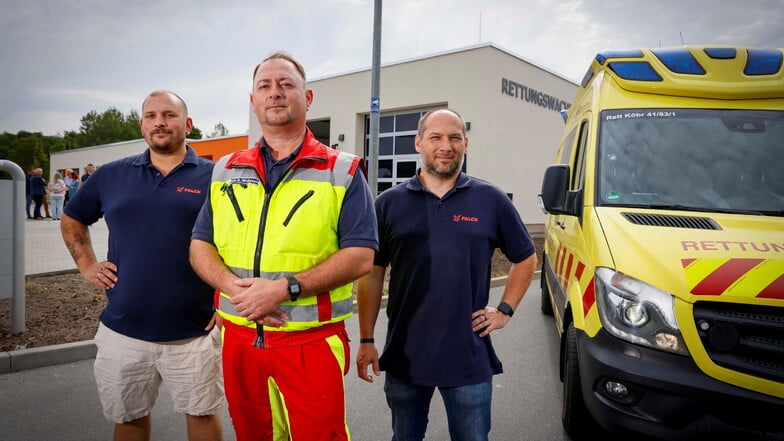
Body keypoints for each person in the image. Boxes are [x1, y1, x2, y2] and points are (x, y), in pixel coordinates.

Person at [190, 51, 378, 441]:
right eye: (265, 86)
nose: (275, 93)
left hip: (309, 340)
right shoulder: (225, 169)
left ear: (307, 98)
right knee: (253, 434)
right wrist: (231, 287)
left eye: (286, 84)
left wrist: (283, 288)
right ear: (253, 100)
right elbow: (200, 245)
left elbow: (361, 257)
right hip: (239, 341)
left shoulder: (342, 170)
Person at [356, 108, 538, 441]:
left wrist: (504, 309)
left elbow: (526, 258)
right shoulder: (388, 204)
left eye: (454, 138)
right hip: (405, 359)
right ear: (418, 143)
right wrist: (366, 339)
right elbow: (372, 274)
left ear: (465, 143)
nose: (446, 146)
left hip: (468, 359)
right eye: (435, 137)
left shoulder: (490, 200)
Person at [60, 90, 224, 441]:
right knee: (129, 419)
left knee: (202, 415)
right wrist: (86, 264)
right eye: (150, 116)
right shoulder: (111, 175)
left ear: (188, 124)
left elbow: (241, 241)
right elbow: (72, 217)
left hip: (196, 332)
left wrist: (228, 298)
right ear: (142, 125)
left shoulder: (217, 176)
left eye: (168, 114)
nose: (159, 122)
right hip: (124, 331)